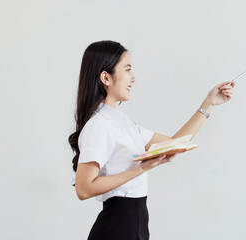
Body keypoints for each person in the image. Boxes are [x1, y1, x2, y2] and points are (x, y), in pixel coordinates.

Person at [68, 40, 235, 240]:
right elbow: (84, 188)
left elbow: (177, 144)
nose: (133, 78)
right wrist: (139, 169)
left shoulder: (122, 122)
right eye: (127, 69)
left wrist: (209, 103)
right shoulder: (99, 125)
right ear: (106, 77)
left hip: (135, 224)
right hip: (117, 227)